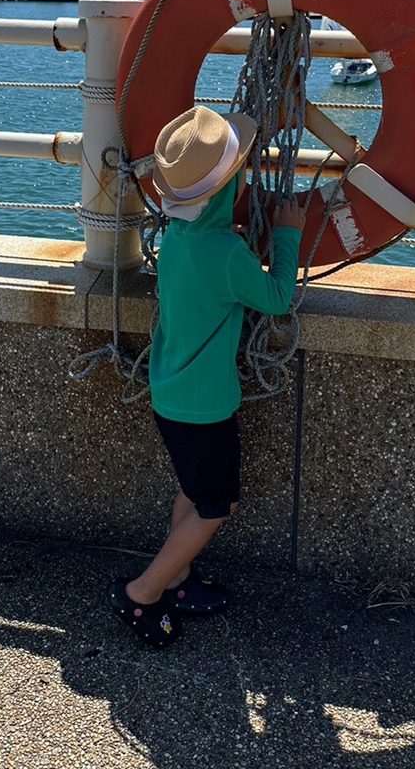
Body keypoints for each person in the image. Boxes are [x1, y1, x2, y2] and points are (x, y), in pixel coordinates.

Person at [108, 105, 305, 647]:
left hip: (171, 396)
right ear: (229, 188)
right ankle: (143, 592)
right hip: (205, 406)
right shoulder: (227, 253)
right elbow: (277, 297)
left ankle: (178, 580)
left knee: (194, 493)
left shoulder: (179, 238)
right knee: (218, 506)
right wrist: (287, 235)